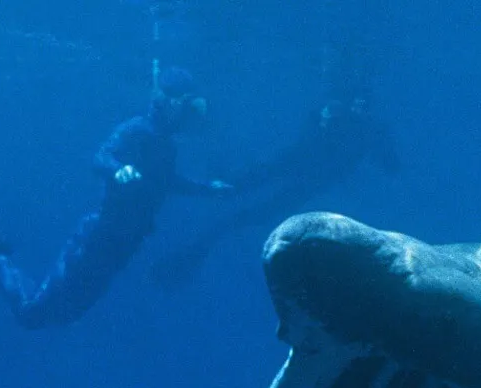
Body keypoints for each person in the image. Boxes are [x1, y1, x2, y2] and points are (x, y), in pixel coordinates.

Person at [0, 66, 234, 328]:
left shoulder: (165, 148)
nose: (190, 116)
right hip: (97, 242)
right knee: (32, 314)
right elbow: (100, 156)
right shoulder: (137, 130)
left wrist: (207, 189)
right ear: (168, 102)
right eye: (188, 106)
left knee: (63, 316)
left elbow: (168, 182)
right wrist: (116, 170)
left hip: (118, 251)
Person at [147, 71, 399, 290]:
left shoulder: (365, 129)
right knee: (246, 193)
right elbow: (384, 163)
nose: (357, 108)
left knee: (251, 205)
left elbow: (388, 163)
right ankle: (208, 215)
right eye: (356, 103)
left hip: (304, 176)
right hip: (301, 168)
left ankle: (199, 242)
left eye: (362, 105)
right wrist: (324, 119)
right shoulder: (354, 123)